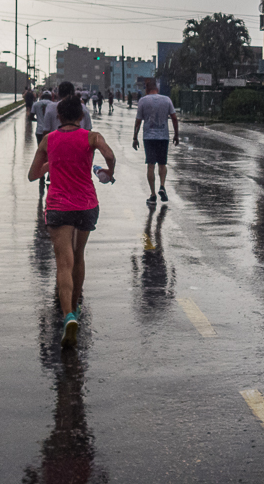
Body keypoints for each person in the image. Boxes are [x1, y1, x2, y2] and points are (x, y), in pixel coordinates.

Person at [27, 94, 116, 347]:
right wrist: (109, 172)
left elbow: (33, 175)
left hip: (58, 206)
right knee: (79, 256)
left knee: (63, 262)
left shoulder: (49, 139)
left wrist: (50, 165)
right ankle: (75, 308)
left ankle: (68, 316)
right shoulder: (92, 137)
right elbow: (109, 156)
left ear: (58, 117)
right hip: (87, 205)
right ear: (80, 116)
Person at [132, 78, 179, 207]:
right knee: (162, 164)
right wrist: (176, 135)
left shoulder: (143, 101)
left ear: (147, 89)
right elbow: (174, 118)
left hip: (149, 137)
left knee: (150, 165)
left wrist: (134, 137)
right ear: (157, 89)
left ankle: (153, 195)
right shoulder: (167, 100)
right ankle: (162, 186)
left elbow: (138, 121)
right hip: (163, 137)